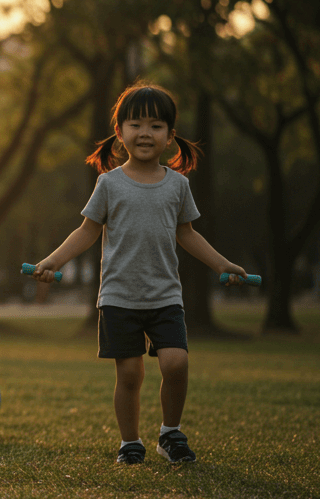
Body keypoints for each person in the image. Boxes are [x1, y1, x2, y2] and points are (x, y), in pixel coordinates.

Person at [29, 83, 248, 465]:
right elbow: (86, 230)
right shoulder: (109, 184)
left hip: (165, 295)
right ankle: (130, 442)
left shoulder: (178, 185)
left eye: (156, 125)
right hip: (119, 296)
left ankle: (170, 433)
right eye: (135, 124)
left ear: (170, 137)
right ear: (120, 133)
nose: (145, 133)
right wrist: (53, 260)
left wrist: (222, 264)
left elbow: (187, 234)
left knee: (176, 363)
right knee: (129, 374)